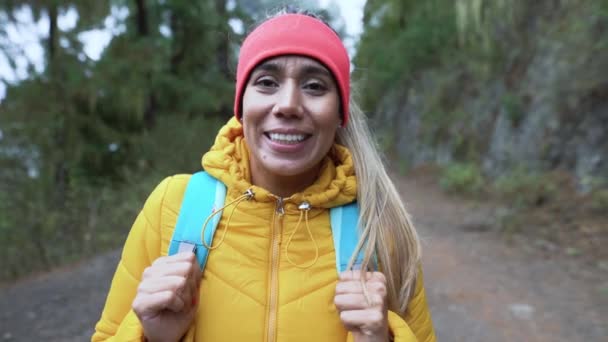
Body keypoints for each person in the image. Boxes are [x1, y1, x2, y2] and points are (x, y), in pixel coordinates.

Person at [92, 8, 436, 342]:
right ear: (241, 106)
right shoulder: (173, 206)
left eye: (315, 86)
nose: (287, 104)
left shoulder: (378, 228)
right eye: (267, 82)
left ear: (340, 113)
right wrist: (152, 337)